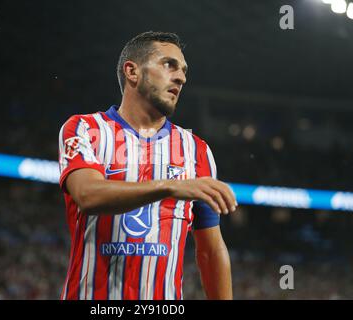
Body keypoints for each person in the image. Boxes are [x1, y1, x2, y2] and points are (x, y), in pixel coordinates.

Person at [58, 31, 237, 300]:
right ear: (132, 72)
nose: (181, 77)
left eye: (184, 71)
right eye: (169, 65)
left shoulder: (196, 150)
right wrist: (170, 186)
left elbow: (210, 251)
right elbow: (87, 195)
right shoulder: (84, 129)